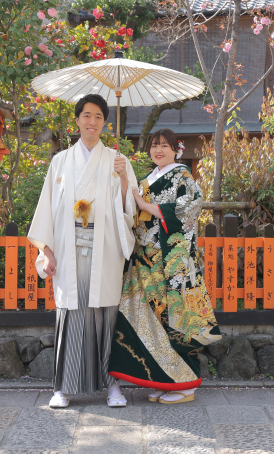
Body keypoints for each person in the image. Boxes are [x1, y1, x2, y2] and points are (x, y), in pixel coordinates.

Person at [27, 94, 137, 408]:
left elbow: (130, 208)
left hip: (105, 246)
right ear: (77, 120)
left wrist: (124, 177)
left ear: (105, 123)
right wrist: (47, 251)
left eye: (99, 116)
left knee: (106, 314)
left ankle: (112, 386)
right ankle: (63, 387)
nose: (92, 122)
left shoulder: (117, 160)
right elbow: (47, 209)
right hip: (68, 246)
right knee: (71, 313)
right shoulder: (60, 161)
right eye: (87, 115)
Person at [108, 128, 221, 404]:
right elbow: (130, 210)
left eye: (164, 146)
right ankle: (165, 380)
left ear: (176, 150)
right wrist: (124, 181)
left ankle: (185, 385)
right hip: (145, 260)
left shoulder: (183, 177)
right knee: (151, 322)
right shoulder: (148, 179)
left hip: (172, 262)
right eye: (154, 146)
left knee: (175, 320)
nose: (158, 150)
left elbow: (188, 210)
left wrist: (144, 204)